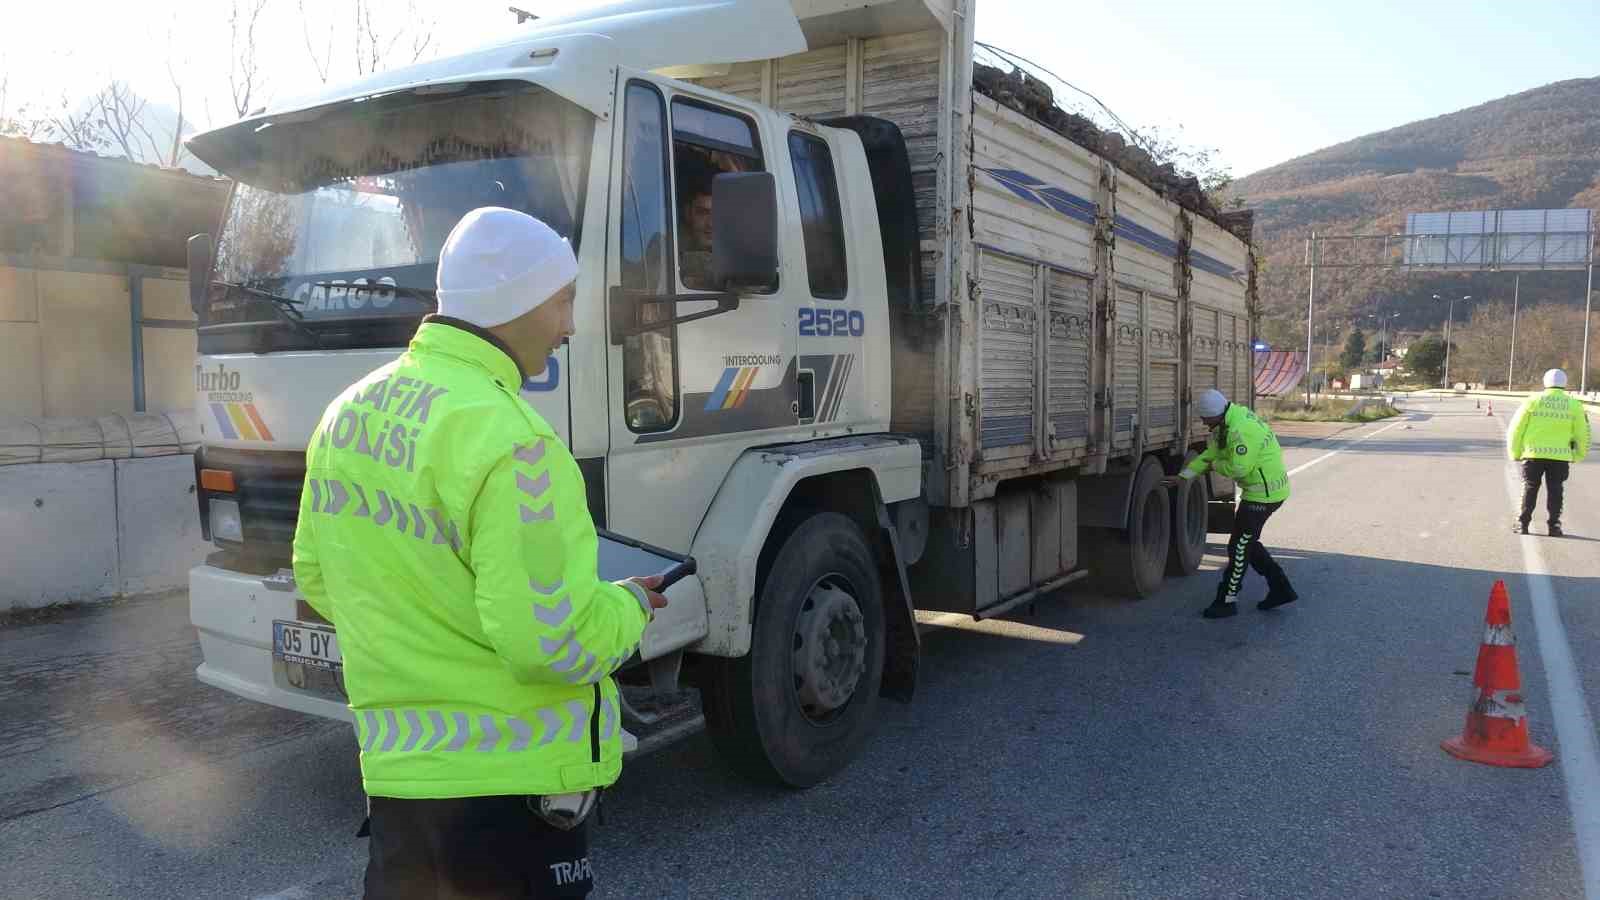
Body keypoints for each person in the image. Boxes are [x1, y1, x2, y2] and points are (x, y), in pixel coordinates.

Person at [292, 207, 667, 899]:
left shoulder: (346, 415)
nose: (570, 326)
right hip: (509, 808)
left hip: (401, 798)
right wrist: (631, 605)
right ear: (515, 302)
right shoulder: (515, 443)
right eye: (562, 301)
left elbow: (318, 576)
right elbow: (551, 644)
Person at [1163, 389, 1296, 619]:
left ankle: (1226, 601)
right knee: (1247, 543)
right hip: (1261, 492)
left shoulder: (1239, 430)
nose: (1203, 423)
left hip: (1263, 495)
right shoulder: (1227, 421)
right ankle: (1281, 589)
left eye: (1205, 419)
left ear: (1215, 414)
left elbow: (1237, 468)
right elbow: (1210, 453)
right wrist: (1184, 476)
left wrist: (1214, 466)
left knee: (1239, 547)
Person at [1508, 368, 1591, 537]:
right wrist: (1578, 455)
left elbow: (1516, 429)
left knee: (1530, 487)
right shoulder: (1574, 405)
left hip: (1533, 454)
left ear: (1545, 382)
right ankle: (1554, 526)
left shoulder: (1533, 401)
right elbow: (1582, 433)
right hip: (1559, 457)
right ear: (1564, 384)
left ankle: (1522, 523)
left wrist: (1515, 452)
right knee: (1556, 490)